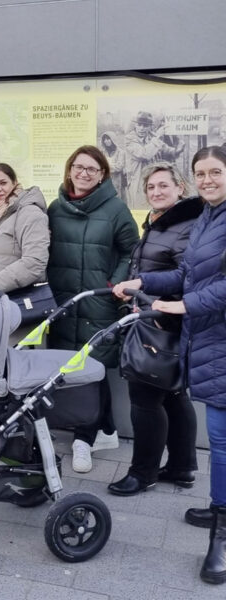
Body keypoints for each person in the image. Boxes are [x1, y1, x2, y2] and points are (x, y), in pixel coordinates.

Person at [113, 146, 226, 585]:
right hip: (209, 341)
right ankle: (220, 506)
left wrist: (175, 306)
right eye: (202, 173)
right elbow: (187, 276)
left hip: (218, 339)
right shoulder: (207, 219)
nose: (208, 180)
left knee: (220, 439)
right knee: (218, 439)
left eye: (215, 172)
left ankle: (221, 533)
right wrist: (143, 282)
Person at [108, 163, 203, 496]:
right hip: (159, 317)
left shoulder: (186, 225)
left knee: (145, 398)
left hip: (165, 320)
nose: (156, 192)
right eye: (151, 187)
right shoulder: (162, 222)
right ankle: (182, 467)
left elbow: (185, 275)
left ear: (180, 188)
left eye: (164, 186)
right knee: (173, 395)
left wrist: (146, 291)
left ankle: (142, 473)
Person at [47, 145, 139, 474]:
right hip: (64, 305)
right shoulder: (55, 208)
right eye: (79, 167)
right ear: (69, 170)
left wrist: (114, 285)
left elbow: (134, 252)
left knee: (92, 371)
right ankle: (107, 431)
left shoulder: (115, 209)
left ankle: (83, 440)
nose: (84, 173)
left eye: (92, 169)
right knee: (70, 370)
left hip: (100, 303)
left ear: (102, 175)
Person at [0, 162, 49, 292]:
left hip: (21, 299)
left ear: (14, 183)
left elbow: (35, 261)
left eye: (3, 183)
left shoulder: (29, 213)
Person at [124, 111, 180, 209]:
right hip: (138, 182)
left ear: (150, 127)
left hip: (154, 179)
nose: (141, 128)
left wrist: (175, 150)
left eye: (145, 125)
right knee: (140, 208)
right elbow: (144, 154)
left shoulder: (151, 136)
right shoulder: (129, 139)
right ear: (135, 125)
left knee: (155, 208)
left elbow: (164, 148)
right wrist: (158, 136)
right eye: (139, 124)